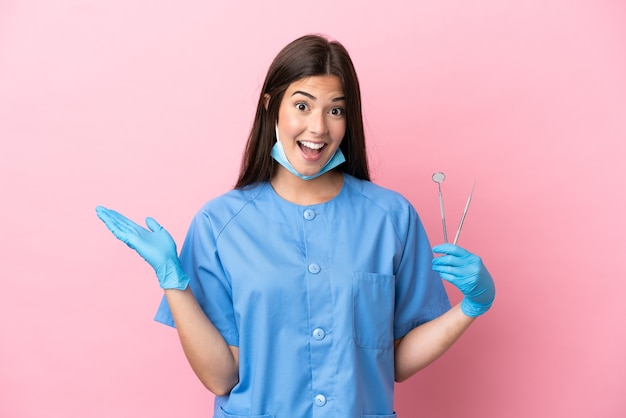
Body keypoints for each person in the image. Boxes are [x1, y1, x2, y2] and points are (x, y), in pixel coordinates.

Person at [96, 34, 495, 418]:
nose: (318, 128)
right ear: (271, 105)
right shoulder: (220, 224)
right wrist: (173, 281)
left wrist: (471, 307)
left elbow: (397, 361)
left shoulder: (390, 218)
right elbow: (221, 377)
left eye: (335, 110)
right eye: (302, 106)